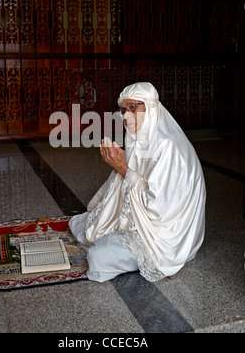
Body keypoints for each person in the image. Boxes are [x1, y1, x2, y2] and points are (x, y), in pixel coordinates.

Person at [69, 82, 206, 283]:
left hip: (166, 235)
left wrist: (123, 168)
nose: (125, 116)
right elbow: (130, 180)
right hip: (141, 218)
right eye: (123, 110)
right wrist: (119, 168)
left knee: (99, 257)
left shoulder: (169, 146)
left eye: (133, 107)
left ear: (150, 107)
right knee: (80, 224)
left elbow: (158, 206)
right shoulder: (139, 137)